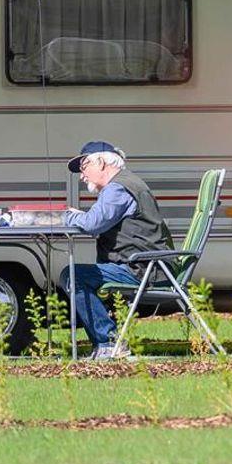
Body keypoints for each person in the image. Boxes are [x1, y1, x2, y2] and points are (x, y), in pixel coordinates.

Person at [57, 140, 174, 358]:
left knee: (73, 275)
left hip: (144, 269)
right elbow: (98, 220)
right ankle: (107, 342)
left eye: (84, 167)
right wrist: (81, 217)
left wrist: (67, 216)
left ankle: (109, 343)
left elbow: (93, 224)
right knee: (76, 275)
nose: (82, 176)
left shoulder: (117, 188)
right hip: (150, 266)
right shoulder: (126, 183)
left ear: (101, 163)